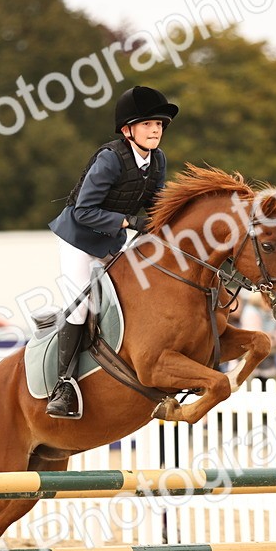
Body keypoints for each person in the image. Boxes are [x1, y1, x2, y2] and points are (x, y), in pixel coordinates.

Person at [45, 85, 178, 418]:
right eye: (148, 124)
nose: (155, 130)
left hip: (111, 242)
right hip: (79, 240)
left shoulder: (158, 160)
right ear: (128, 130)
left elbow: (157, 206)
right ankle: (63, 386)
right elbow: (83, 211)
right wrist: (130, 221)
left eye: (159, 124)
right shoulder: (110, 159)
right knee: (81, 309)